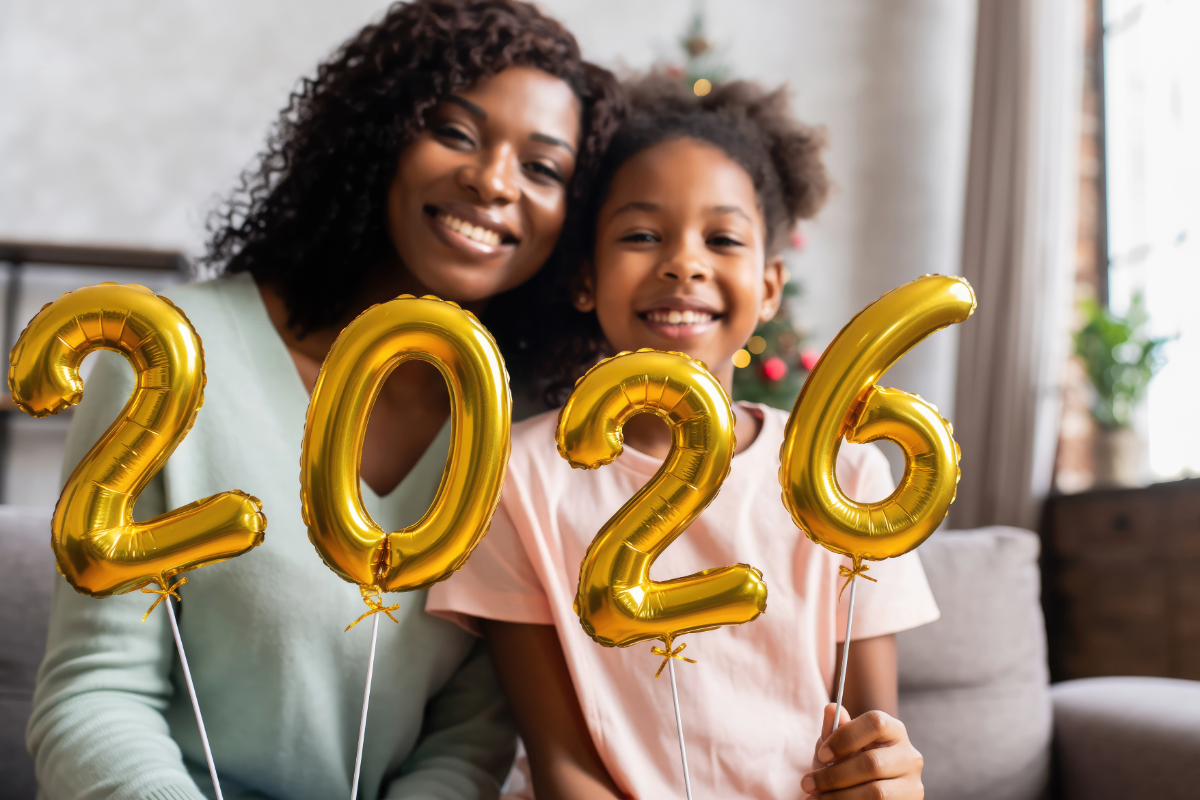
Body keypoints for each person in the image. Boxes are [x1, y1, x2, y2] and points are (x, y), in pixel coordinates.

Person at [27, 2, 623, 798]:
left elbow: (467, 746)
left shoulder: (528, 438)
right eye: (455, 132)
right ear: (378, 135)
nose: (492, 181)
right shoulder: (166, 356)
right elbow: (94, 695)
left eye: (543, 169)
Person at [426, 75, 937, 799]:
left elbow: (870, 740)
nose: (684, 263)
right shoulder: (516, 475)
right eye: (641, 236)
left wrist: (888, 776)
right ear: (584, 278)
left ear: (769, 288)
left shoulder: (848, 475)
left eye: (722, 239)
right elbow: (562, 764)